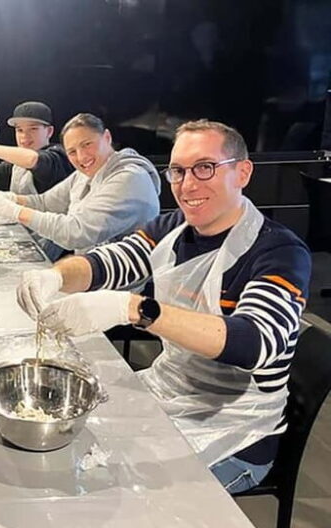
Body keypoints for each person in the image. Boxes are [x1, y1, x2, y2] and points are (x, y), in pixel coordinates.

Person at [16, 119, 312, 494]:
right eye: (178, 171)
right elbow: (106, 262)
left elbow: (255, 342)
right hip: (170, 392)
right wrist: (55, 277)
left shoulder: (278, 252)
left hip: (235, 433)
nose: (188, 185)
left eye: (205, 168)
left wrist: (134, 308)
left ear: (242, 172)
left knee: (119, 495)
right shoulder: (171, 229)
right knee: (70, 446)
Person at [0, 113, 161, 257]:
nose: (81, 157)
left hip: (126, 288)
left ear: (107, 137)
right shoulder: (84, 174)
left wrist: (15, 211)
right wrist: (11, 199)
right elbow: (45, 202)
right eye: (72, 151)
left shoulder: (129, 178)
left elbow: (75, 232)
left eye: (87, 144)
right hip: (91, 276)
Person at [0, 101, 71, 195]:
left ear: (49, 131)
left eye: (33, 129)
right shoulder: (17, 162)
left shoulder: (58, 156)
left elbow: (32, 159)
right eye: (20, 130)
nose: (25, 136)